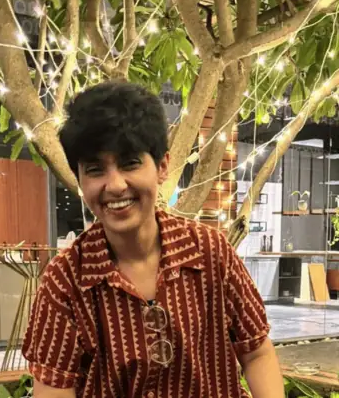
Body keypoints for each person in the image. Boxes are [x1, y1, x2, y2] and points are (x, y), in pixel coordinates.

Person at [22, 81, 284, 398]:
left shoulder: (210, 251)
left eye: (130, 163)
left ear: (162, 167)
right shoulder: (65, 281)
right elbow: (54, 387)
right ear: (80, 180)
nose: (115, 185)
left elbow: (256, 352)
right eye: (95, 169)